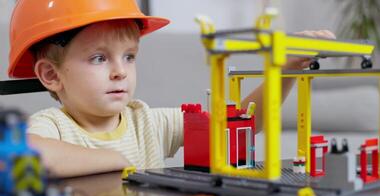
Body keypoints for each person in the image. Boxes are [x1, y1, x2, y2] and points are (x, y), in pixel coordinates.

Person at [7, 0, 335, 178]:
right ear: (51, 75)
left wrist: (287, 70)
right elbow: (25, 153)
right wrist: (116, 159)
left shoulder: (147, 121)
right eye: (98, 58)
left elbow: (242, 127)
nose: (120, 71)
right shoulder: (53, 127)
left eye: (129, 57)